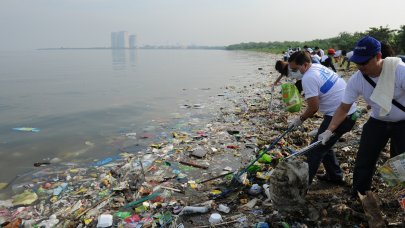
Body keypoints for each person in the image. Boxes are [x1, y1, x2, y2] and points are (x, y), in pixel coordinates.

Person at [318, 36, 405, 197]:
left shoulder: (399, 71)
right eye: (357, 62)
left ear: (378, 57)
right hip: (378, 121)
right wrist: (329, 130)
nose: (360, 67)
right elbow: (343, 108)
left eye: (364, 62)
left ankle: (400, 195)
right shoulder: (357, 79)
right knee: (364, 159)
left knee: (400, 161)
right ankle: (359, 193)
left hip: (402, 123)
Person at [287, 51, 358, 185]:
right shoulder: (318, 67)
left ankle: (301, 187)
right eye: (292, 69)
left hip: (340, 116)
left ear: (305, 64)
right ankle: (335, 176)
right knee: (324, 143)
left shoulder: (308, 77)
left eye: (295, 69)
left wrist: (299, 119)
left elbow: (313, 107)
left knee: (314, 150)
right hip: (349, 111)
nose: (294, 72)